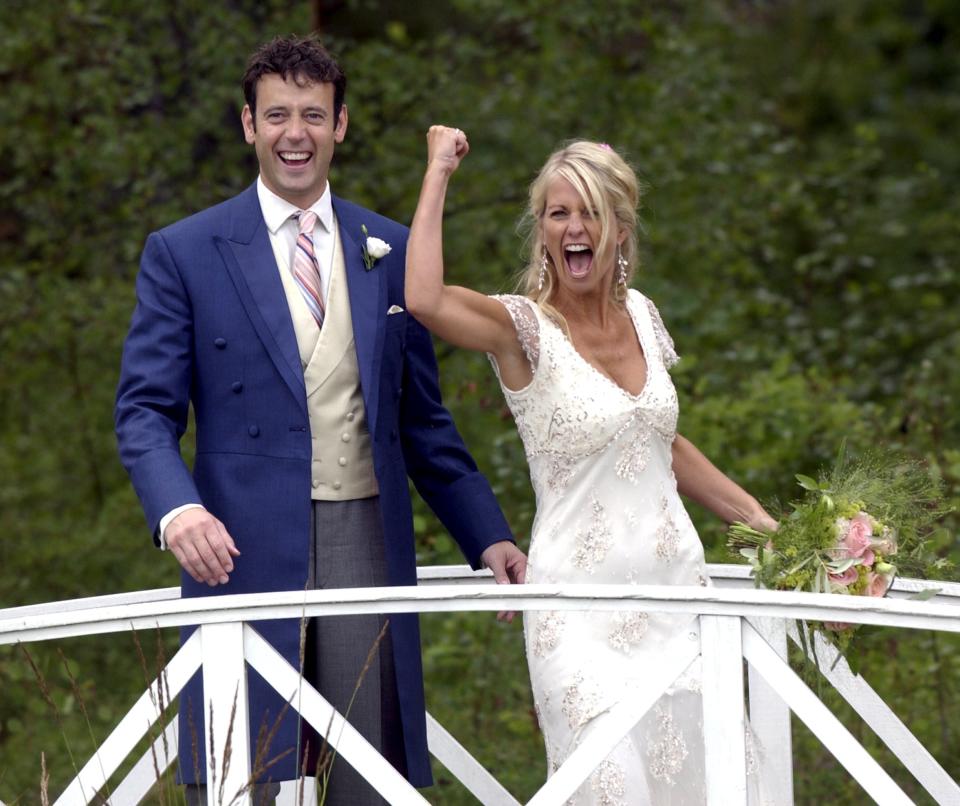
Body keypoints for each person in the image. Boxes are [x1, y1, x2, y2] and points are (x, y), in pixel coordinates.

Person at [114, 40, 525, 805]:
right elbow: (144, 410)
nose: (293, 132)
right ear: (248, 125)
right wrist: (178, 510)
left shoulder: (393, 248)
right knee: (241, 774)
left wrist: (487, 534)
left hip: (365, 534)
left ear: (341, 124)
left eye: (312, 114)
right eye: (276, 115)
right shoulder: (184, 251)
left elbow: (422, 421)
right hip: (235, 543)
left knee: (369, 777)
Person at [405, 126, 778, 803]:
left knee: (714, 787)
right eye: (558, 213)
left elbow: (660, 442)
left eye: (591, 213)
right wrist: (438, 171)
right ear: (542, 230)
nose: (575, 228)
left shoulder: (643, 314)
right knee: (612, 788)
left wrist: (762, 524)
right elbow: (425, 300)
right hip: (576, 611)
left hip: (678, 602)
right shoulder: (521, 329)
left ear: (620, 229)